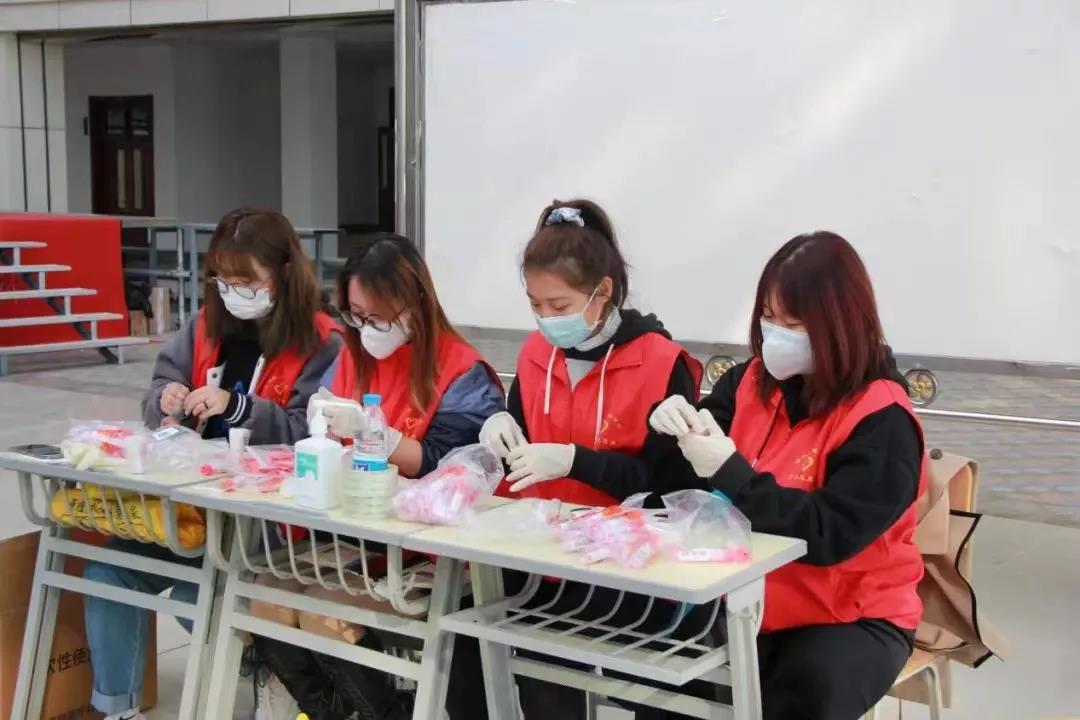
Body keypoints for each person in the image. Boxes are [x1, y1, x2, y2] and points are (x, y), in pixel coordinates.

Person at [648, 231, 925, 720]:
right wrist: (674, 424)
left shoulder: (882, 419)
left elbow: (828, 534)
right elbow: (689, 464)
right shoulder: (750, 382)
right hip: (745, 596)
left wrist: (732, 474)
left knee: (805, 691)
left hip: (848, 615)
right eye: (768, 317)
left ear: (841, 323)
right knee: (663, 677)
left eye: (793, 323)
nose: (775, 335)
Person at [82, 208, 343, 720]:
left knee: (197, 593)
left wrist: (238, 407)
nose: (233, 293)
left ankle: (269, 664)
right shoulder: (206, 324)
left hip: (265, 529)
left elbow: (313, 433)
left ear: (285, 272)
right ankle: (118, 709)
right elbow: (159, 387)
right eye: (223, 281)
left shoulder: (322, 341)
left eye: (246, 282)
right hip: (192, 508)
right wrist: (166, 398)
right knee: (108, 571)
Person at [455, 198, 704, 719]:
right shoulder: (536, 353)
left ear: (602, 292)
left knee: (557, 669)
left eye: (560, 306)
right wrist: (499, 431)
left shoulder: (661, 364)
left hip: (628, 575)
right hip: (542, 559)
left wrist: (576, 462)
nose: (546, 320)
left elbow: (674, 494)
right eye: (535, 305)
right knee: (463, 644)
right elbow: (522, 448)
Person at [251, 232, 505, 720]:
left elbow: (454, 467)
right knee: (266, 596)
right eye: (356, 316)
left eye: (378, 317)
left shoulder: (462, 371)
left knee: (325, 611)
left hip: (428, 549)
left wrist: (379, 438)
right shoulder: (354, 354)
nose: (366, 329)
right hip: (360, 533)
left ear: (414, 303)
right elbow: (324, 420)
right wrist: (321, 419)